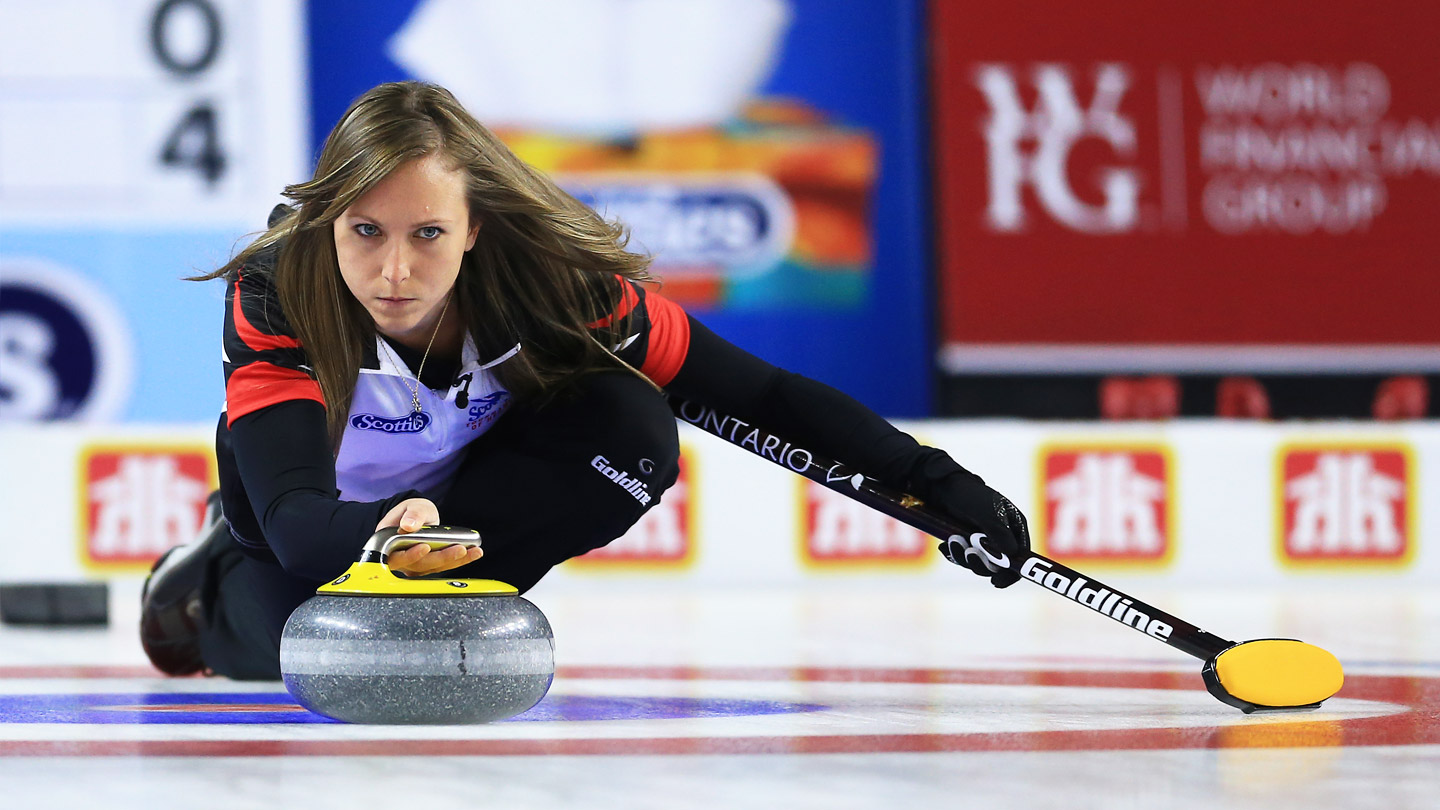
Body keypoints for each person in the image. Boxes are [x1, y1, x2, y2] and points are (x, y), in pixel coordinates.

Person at [139, 81, 1031, 681]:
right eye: (365, 232)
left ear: (476, 228)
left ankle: (451, 605)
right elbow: (296, 519)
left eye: (428, 234)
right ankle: (202, 584)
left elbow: (758, 397)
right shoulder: (281, 290)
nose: (396, 272)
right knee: (297, 647)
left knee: (630, 421)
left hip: (452, 520)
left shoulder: (558, 289)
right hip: (313, 525)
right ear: (329, 222)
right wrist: (380, 536)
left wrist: (935, 484)